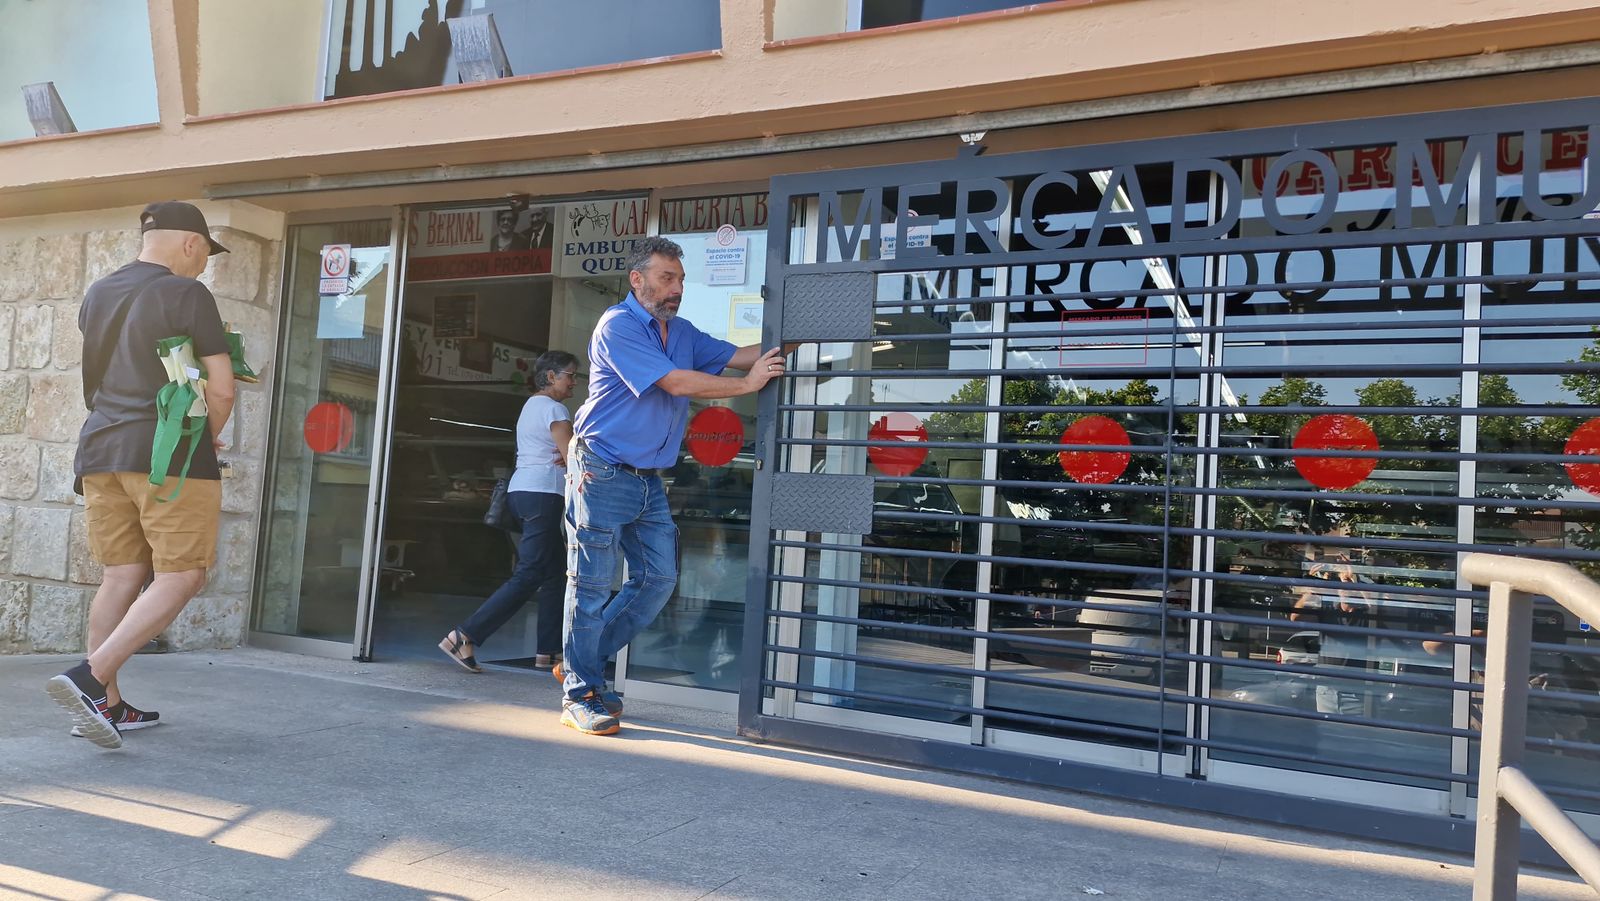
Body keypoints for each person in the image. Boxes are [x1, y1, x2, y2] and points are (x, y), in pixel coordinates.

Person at [556, 236, 786, 735]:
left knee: (658, 580)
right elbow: (676, 383)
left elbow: (739, 355)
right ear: (637, 280)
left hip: (647, 479)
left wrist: (796, 336)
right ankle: (579, 691)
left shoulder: (681, 332)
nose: (677, 287)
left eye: (680, 279)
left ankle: (582, 659)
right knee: (591, 585)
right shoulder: (617, 325)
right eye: (667, 277)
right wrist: (747, 388)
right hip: (601, 470)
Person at [47, 201, 235, 750]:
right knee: (183, 574)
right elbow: (220, 388)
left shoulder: (98, 293)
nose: (201, 266)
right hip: (165, 454)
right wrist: (204, 434)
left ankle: (106, 706)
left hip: (101, 450)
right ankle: (89, 677)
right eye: (204, 255)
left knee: (122, 575)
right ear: (191, 244)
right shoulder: (187, 293)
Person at [439, 350, 579, 673]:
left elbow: (557, 450)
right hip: (543, 495)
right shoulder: (556, 409)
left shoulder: (531, 406)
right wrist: (573, 453)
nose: (573, 382)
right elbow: (572, 456)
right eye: (570, 375)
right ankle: (465, 635)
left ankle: (548, 651)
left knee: (555, 572)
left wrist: (564, 452)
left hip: (522, 493)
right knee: (529, 573)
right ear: (551, 377)